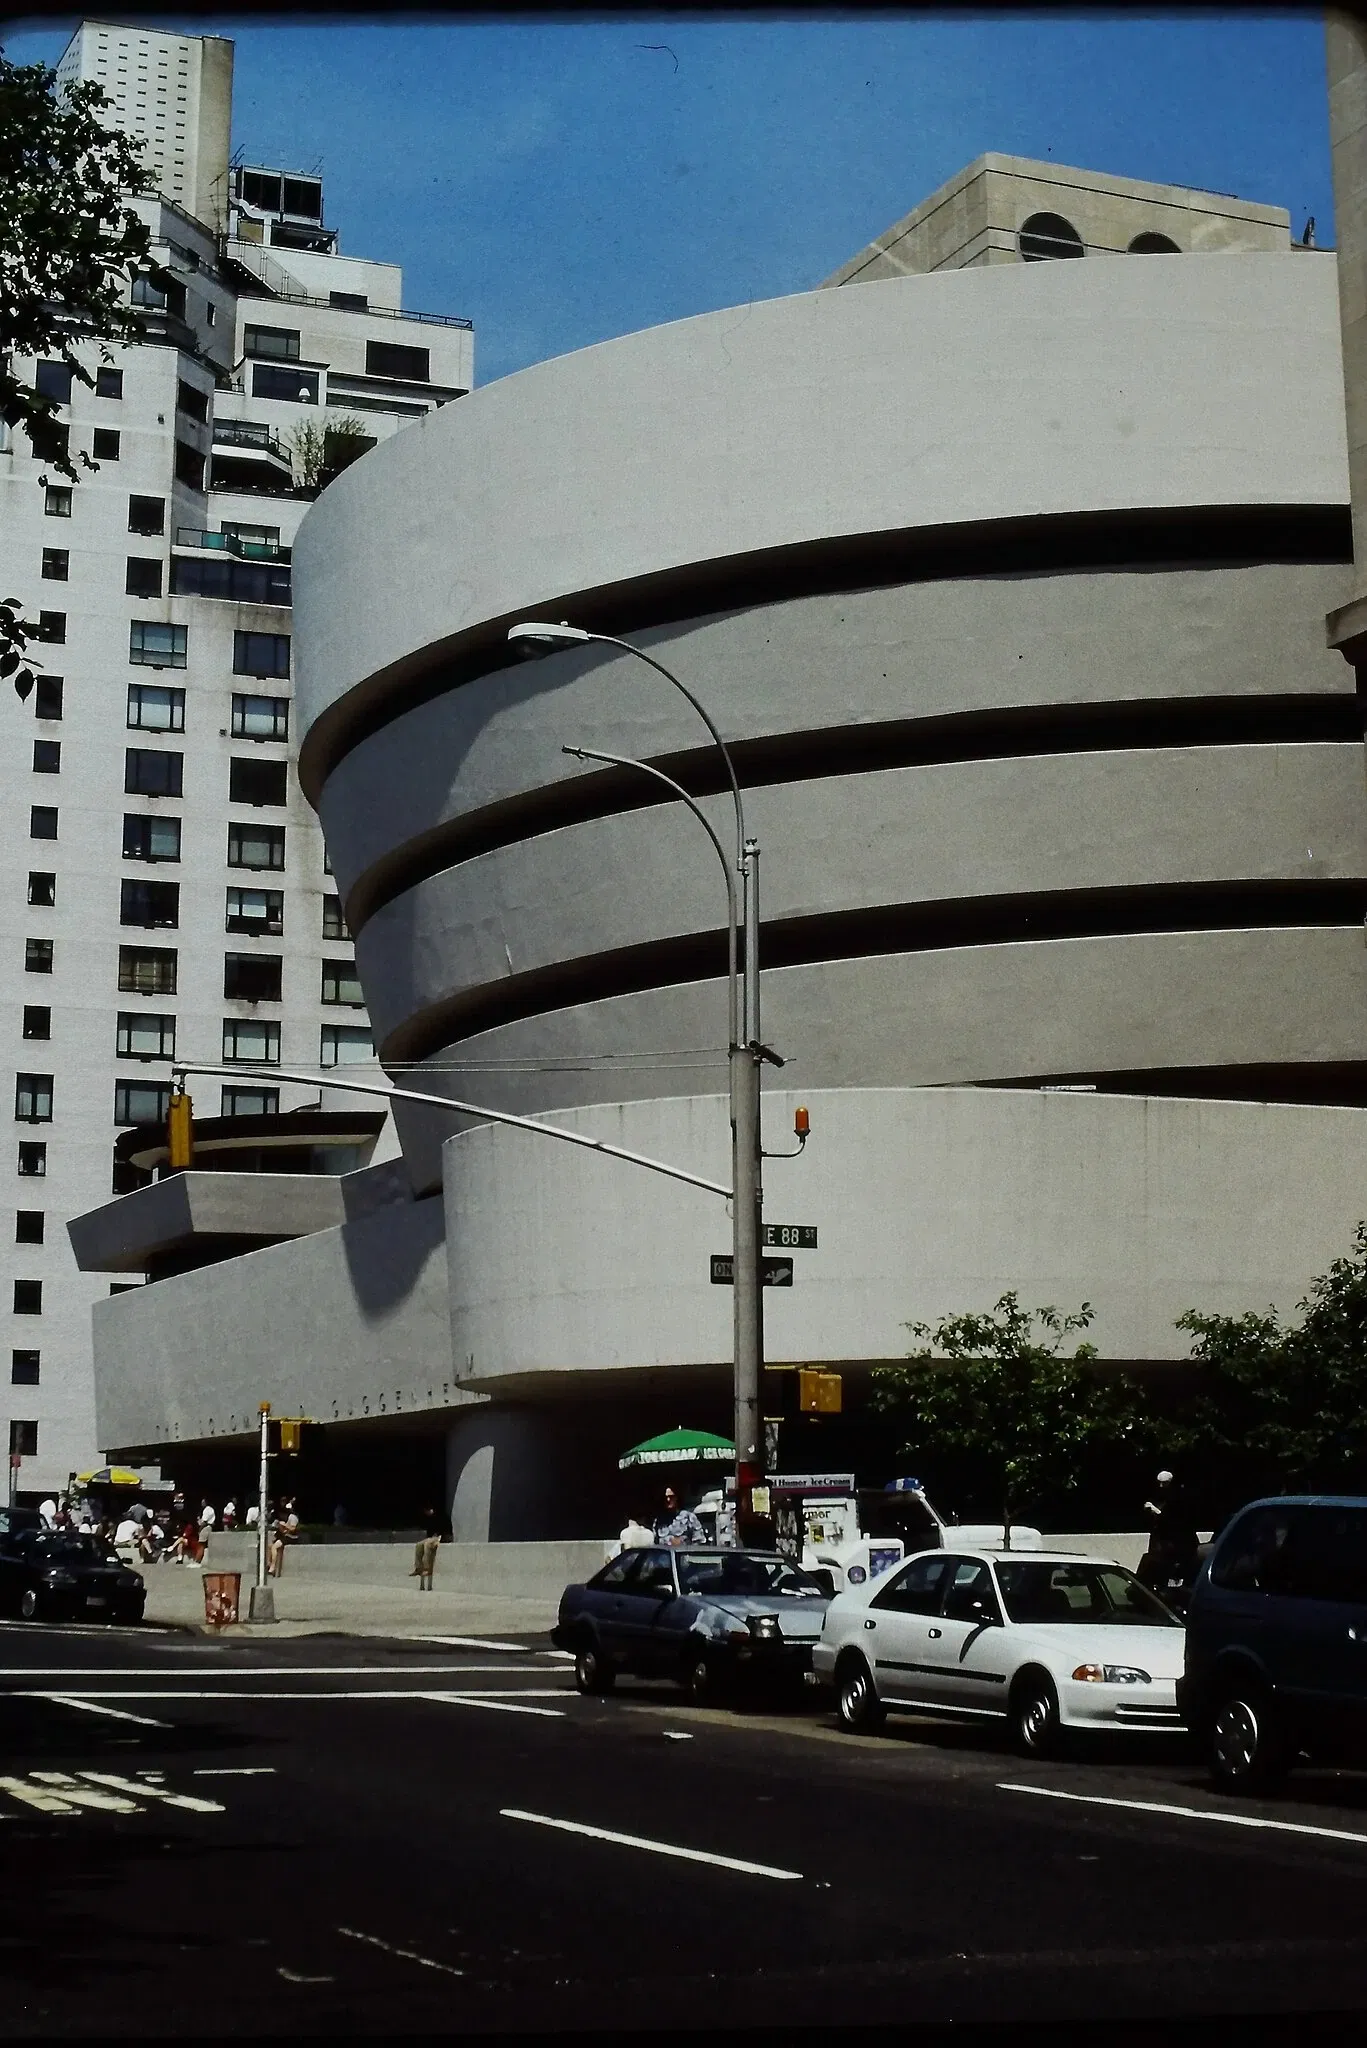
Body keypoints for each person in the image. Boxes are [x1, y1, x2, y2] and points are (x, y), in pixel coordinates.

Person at [409, 1506, 443, 1591]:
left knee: (427, 1545)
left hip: (439, 1537)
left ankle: (427, 1569)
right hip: (431, 1538)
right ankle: (418, 1568)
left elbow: (444, 1530)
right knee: (419, 1545)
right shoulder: (428, 1519)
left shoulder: (440, 1517)